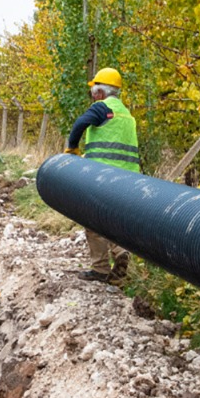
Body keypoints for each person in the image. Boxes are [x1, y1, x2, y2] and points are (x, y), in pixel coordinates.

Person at [66, 66, 139, 283]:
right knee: (115, 218)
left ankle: (101, 268)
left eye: (93, 91)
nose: (92, 95)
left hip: (102, 175)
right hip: (128, 178)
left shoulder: (102, 108)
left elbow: (80, 124)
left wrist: (72, 148)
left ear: (100, 92)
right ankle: (120, 253)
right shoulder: (127, 114)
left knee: (93, 219)